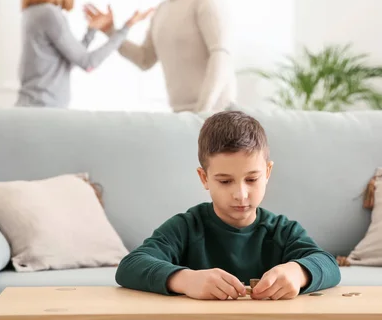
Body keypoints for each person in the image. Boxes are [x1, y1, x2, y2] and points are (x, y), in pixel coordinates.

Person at [114, 110, 341, 300]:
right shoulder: (185, 227)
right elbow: (130, 266)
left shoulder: (283, 231)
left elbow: (328, 265)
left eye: (251, 179)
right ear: (204, 178)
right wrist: (184, 280)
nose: (240, 194)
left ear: (268, 172)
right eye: (225, 181)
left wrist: (298, 272)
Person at [85, 0, 237, 113]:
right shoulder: (161, 11)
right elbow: (144, 59)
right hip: (183, 116)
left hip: (217, 115)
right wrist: (111, 32)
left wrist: (204, 112)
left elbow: (221, 55)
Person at [16, 0, 151, 108]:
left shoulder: (33, 12)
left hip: (34, 109)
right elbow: (88, 63)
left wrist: (91, 31)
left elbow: (70, 59)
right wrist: (126, 28)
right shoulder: (49, 14)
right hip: (43, 112)